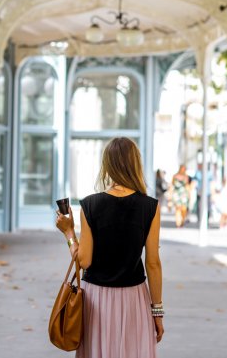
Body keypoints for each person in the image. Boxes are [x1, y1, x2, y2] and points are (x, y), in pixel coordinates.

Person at [55, 137, 164, 357]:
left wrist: (68, 232)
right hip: (134, 298)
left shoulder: (90, 204)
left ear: (107, 165)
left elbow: (84, 261)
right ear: (135, 164)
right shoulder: (150, 206)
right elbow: (153, 263)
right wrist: (157, 311)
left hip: (97, 300)